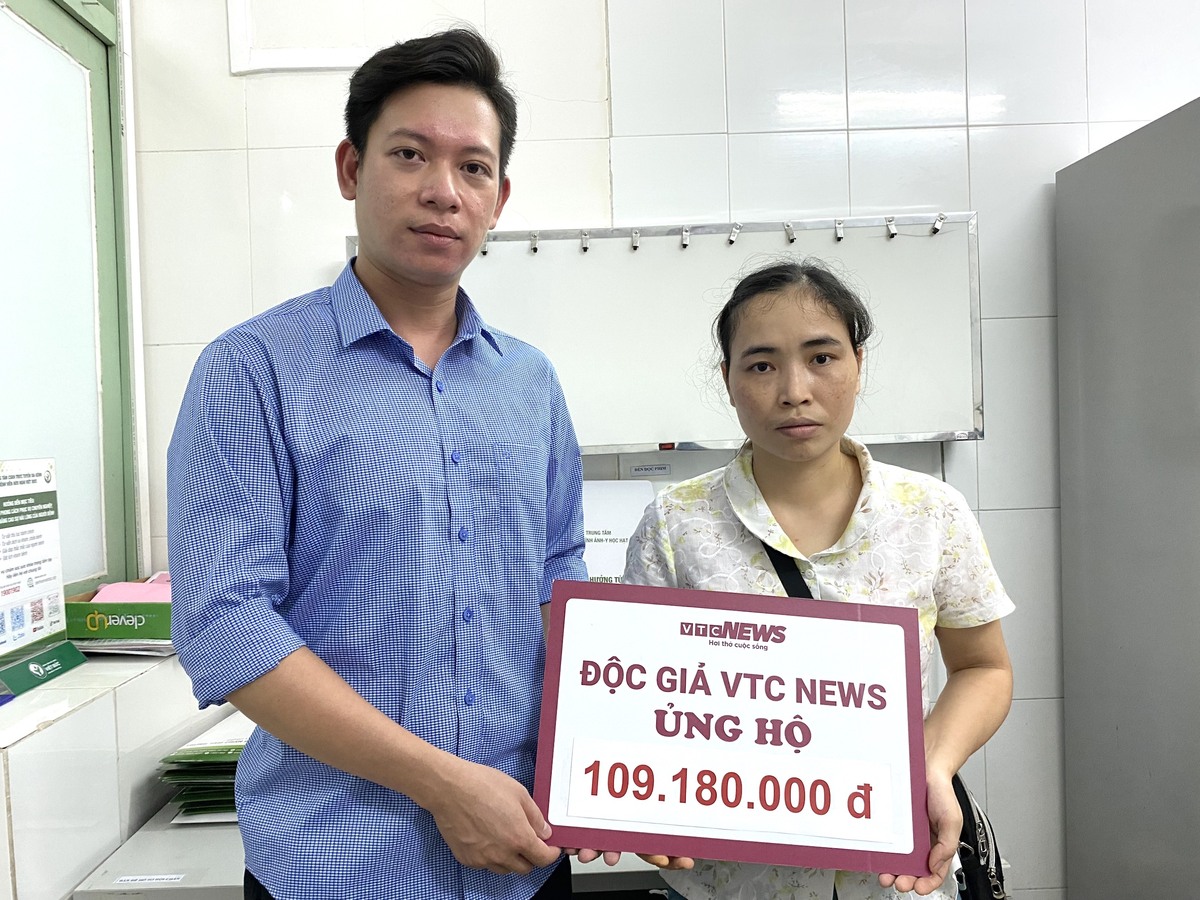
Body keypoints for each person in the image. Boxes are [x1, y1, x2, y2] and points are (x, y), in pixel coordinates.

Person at [166, 29, 586, 900]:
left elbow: (559, 578)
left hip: (528, 858)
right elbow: (227, 623)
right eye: (410, 154)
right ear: (351, 168)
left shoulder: (531, 383)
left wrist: (627, 775)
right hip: (340, 866)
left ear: (500, 198)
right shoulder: (254, 370)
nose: (443, 191)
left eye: (474, 168)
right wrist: (444, 785)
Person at [619, 259, 1014, 900]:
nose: (794, 391)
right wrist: (636, 801)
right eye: (761, 365)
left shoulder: (931, 512)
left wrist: (932, 764)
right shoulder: (676, 522)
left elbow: (983, 668)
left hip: (889, 875)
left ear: (858, 364)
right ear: (728, 380)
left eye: (822, 357)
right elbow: (634, 693)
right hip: (731, 879)